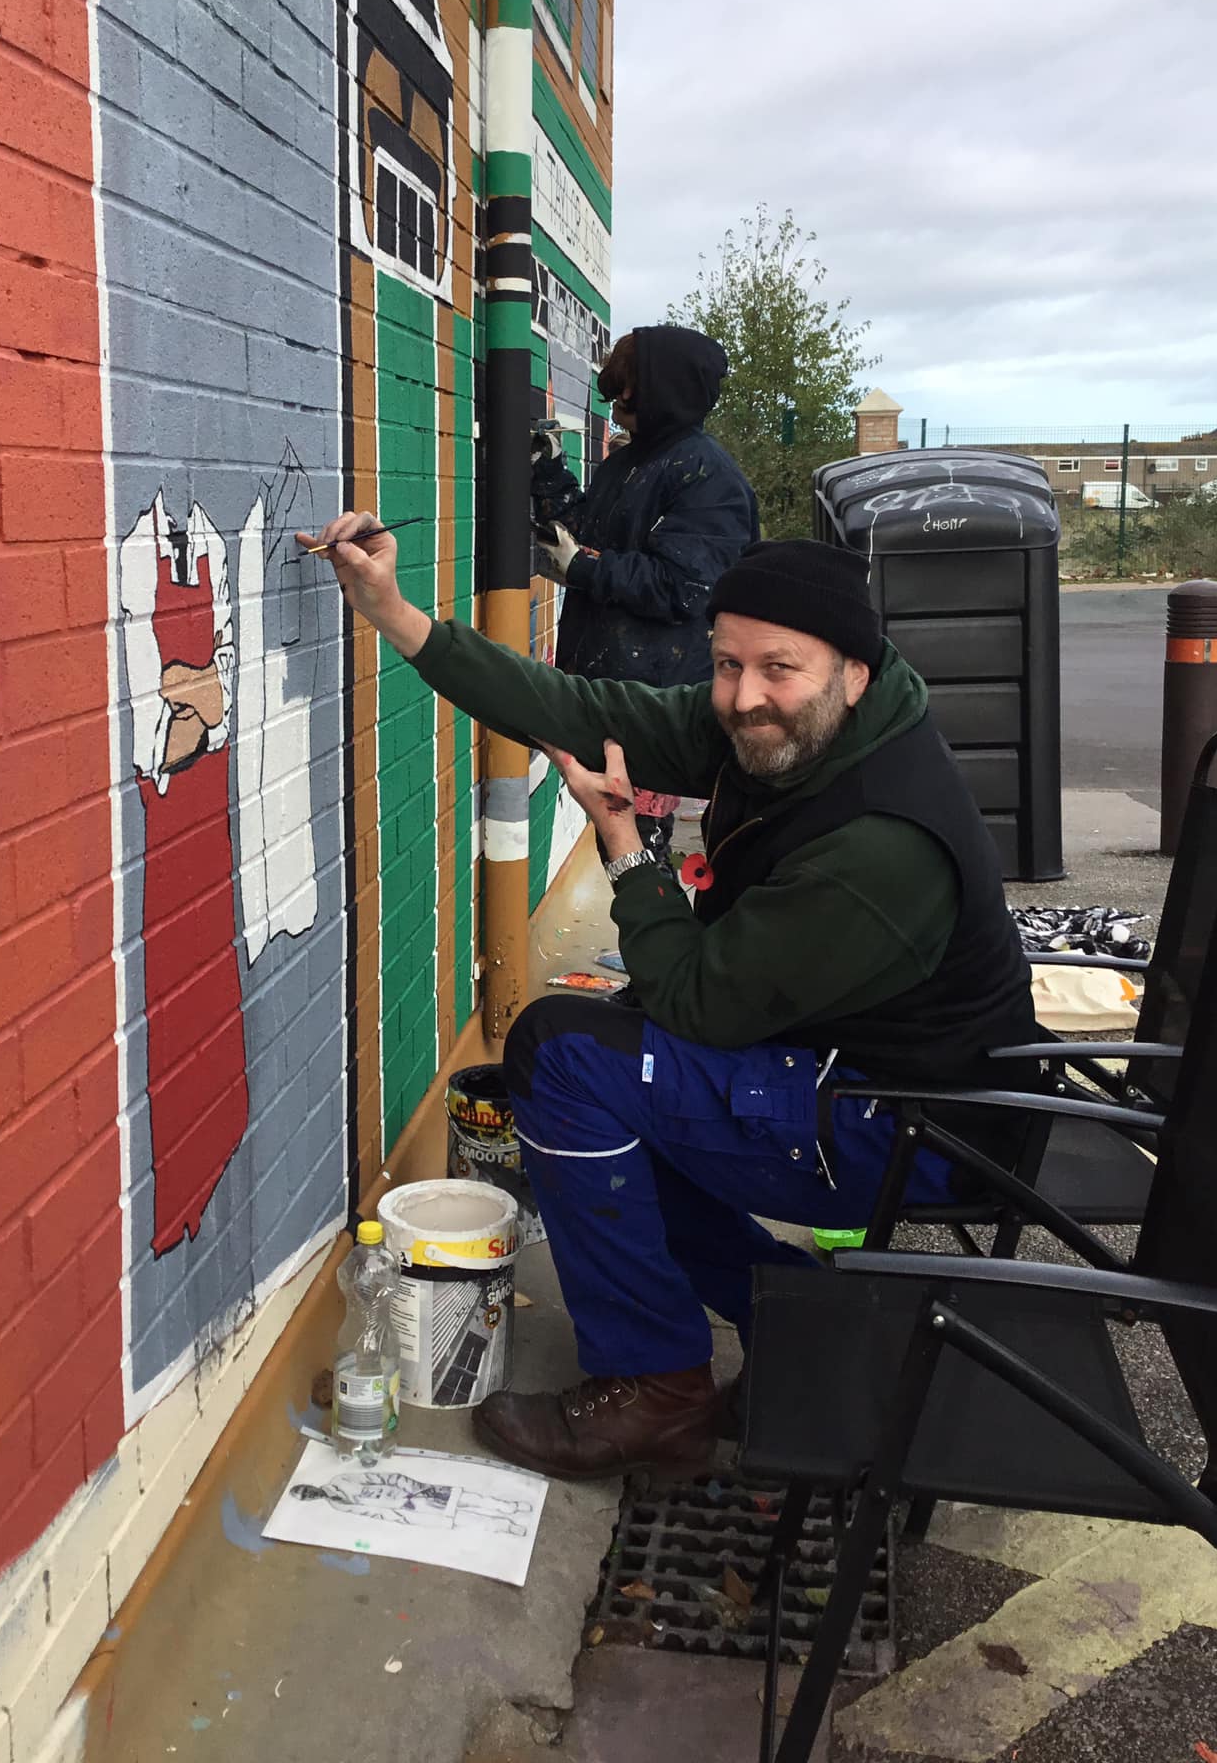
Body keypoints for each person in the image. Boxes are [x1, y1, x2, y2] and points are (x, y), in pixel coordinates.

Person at [297, 513, 1037, 1482]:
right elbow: (576, 705)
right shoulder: (807, 732)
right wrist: (393, 612)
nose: (743, 698)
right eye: (727, 664)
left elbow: (699, 1002)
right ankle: (796, 1318)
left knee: (568, 1056)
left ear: (854, 672)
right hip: (854, 1071)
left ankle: (657, 1389)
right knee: (606, 1053)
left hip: (910, 1133)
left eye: (780, 669)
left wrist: (624, 851)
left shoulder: (881, 846)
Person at [532, 325, 758, 870]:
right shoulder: (632, 463)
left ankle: (658, 952)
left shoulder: (707, 476)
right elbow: (591, 526)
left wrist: (584, 568)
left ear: (662, 391)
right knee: (619, 842)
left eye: (626, 389)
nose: (616, 402)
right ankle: (648, 947)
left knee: (637, 848)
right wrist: (547, 470)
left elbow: (686, 587)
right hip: (611, 695)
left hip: (653, 705)